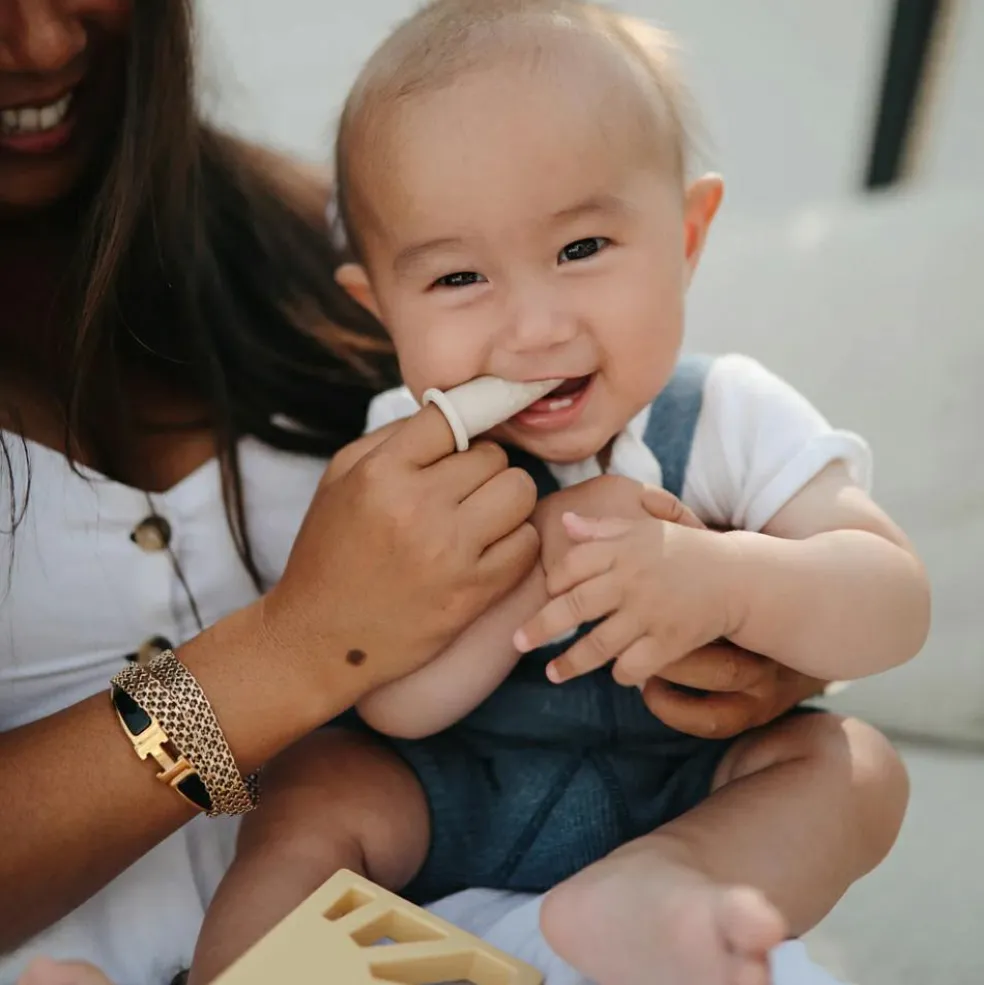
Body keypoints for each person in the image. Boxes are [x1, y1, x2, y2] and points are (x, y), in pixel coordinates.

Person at [0, 2, 828, 983]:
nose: (44, 40)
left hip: (443, 926)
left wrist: (764, 623)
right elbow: (367, 680)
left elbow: (652, 416)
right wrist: (297, 650)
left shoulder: (354, 239)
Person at [189, 3, 927, 985]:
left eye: (581, 249)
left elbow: (893, 605)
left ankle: (659, 894)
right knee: (313, 790)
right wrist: (541, 559)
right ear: (382, 310)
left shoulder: (729, 414)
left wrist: (727, 577)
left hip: (687, 791)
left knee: (857, 767)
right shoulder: (405, 455)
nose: (534, 327)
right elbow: (399, 704)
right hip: (452, 790)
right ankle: (232, 974)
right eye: (458, 277)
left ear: (688, 235)